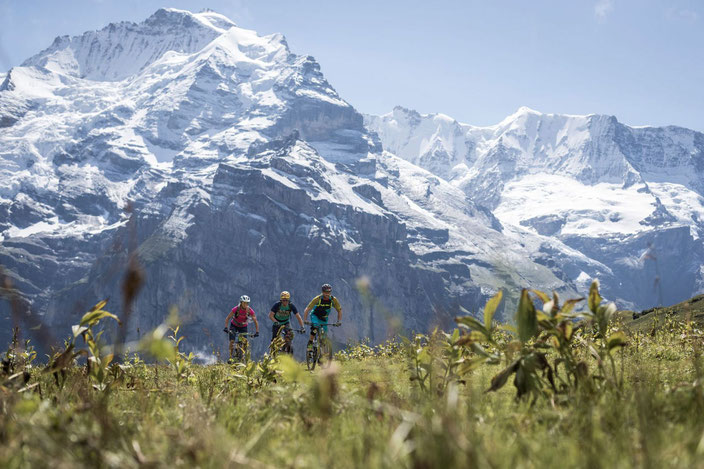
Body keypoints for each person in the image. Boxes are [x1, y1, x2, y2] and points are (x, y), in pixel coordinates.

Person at [303, 284, 342, 350]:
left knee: (324, 336)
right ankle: (310, 343)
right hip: (315, 315)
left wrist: (339, 321)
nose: (327, 294)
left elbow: (339, 310)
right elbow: (307, 309)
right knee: (315, 327)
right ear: (322, 292)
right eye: (326, 292)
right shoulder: (318, 299)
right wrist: (305, 320)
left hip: (324, 318)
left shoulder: (333, 300)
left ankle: (322, 353)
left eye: (329, 292)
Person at [223, 295, 259, 361]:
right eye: (244, 302)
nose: (246, 304)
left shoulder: (249, 310)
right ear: (241, 302)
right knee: (232, 341)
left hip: (243, 327)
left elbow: (255, 321)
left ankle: (241, 356)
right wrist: (226, 327)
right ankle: (230, 357)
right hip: (234, 325)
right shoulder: (236, 309)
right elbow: (228, 318)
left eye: (247, 303)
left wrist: (257, 332)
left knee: (244, 342)